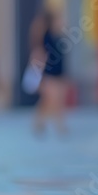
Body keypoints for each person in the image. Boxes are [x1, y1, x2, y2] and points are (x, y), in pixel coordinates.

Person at [29, 9, 69, 138]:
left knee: (48, 101)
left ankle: (38, 124)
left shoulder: (57, 36)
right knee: (55, 101)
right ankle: (60, 126)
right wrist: (38, 76)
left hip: (57, 74)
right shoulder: (46, 37)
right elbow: (40, 56)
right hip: (49, 74)